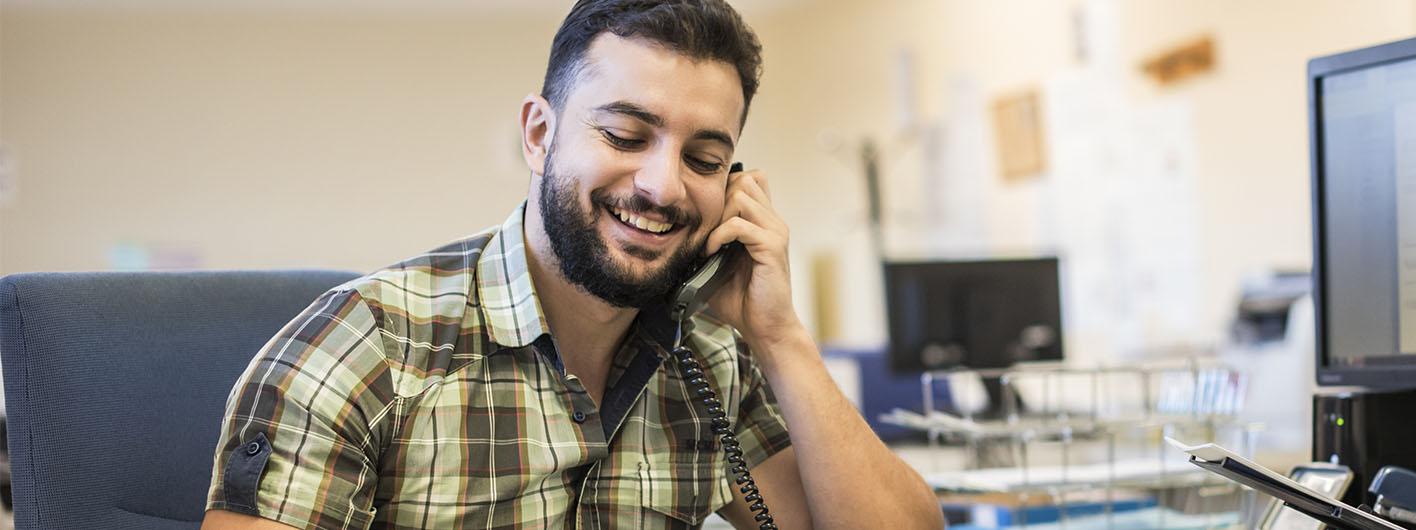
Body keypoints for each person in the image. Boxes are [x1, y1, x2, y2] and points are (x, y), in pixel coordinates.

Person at [200, 1, 943, 528]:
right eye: (625, 135)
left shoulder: (711, 361)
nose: (661, 185)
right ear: (538, 134)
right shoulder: (366, 348)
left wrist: (781, 339)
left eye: (704, 158)